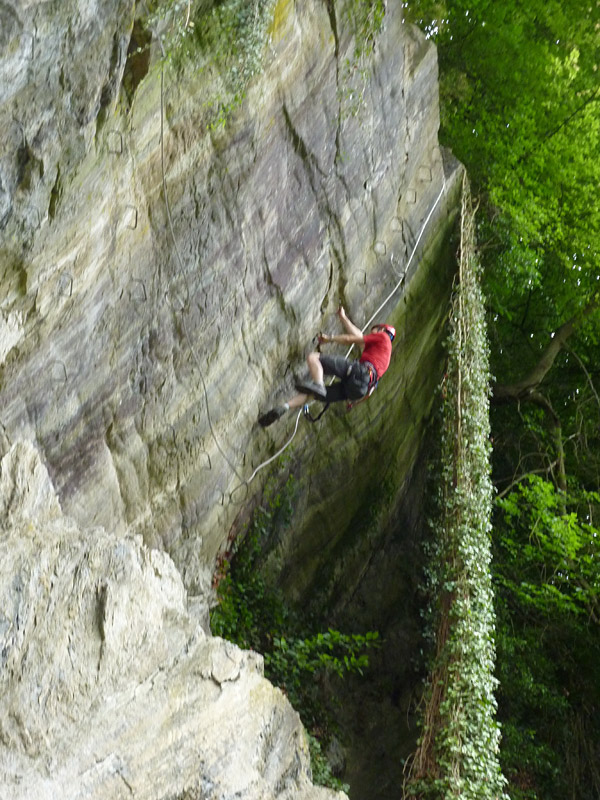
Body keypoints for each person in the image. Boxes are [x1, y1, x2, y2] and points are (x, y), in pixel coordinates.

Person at [258, 306, 395, 427]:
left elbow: (350, 339)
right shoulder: (383, 357)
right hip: (358, 390)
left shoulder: (383, 337)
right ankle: (285, 407)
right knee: (313, 395)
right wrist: (343, 317)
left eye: (373, 331)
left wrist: (329, 339)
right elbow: (359, 336)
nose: (371, 334)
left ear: (382, 329)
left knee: (313, 358)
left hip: (359, 372)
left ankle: (318, 384)